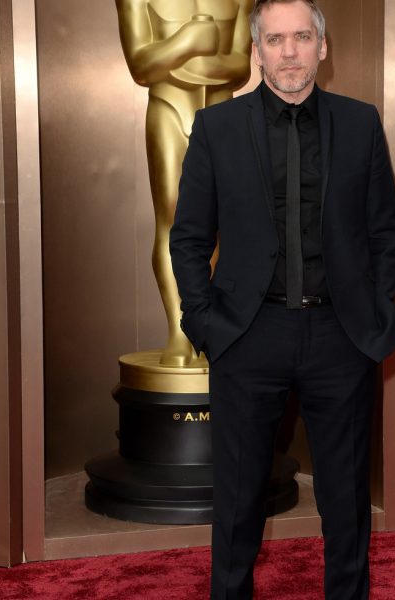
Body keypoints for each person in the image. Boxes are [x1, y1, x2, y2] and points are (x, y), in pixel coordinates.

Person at [170, 0, 395, 597]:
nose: (290, 51)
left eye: (302, 37)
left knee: (346, 499)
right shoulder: (217, 128)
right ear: (257, 51)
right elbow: (189, 238)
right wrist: (205, 324)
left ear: (323, 46)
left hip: (340, 337)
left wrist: (376, 315)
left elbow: (384, 233)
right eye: (276, 40)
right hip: (248, 335)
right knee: (238, 499)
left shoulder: (360, 122)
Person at [115, 0, 253, 367]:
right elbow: (140, 65)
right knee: (173, 221)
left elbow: (240, 65)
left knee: (220, 225)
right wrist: (187, 42)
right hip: (169, 109)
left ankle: (211, 327)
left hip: (222, 115)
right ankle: (179, 332)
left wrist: (193, 62)